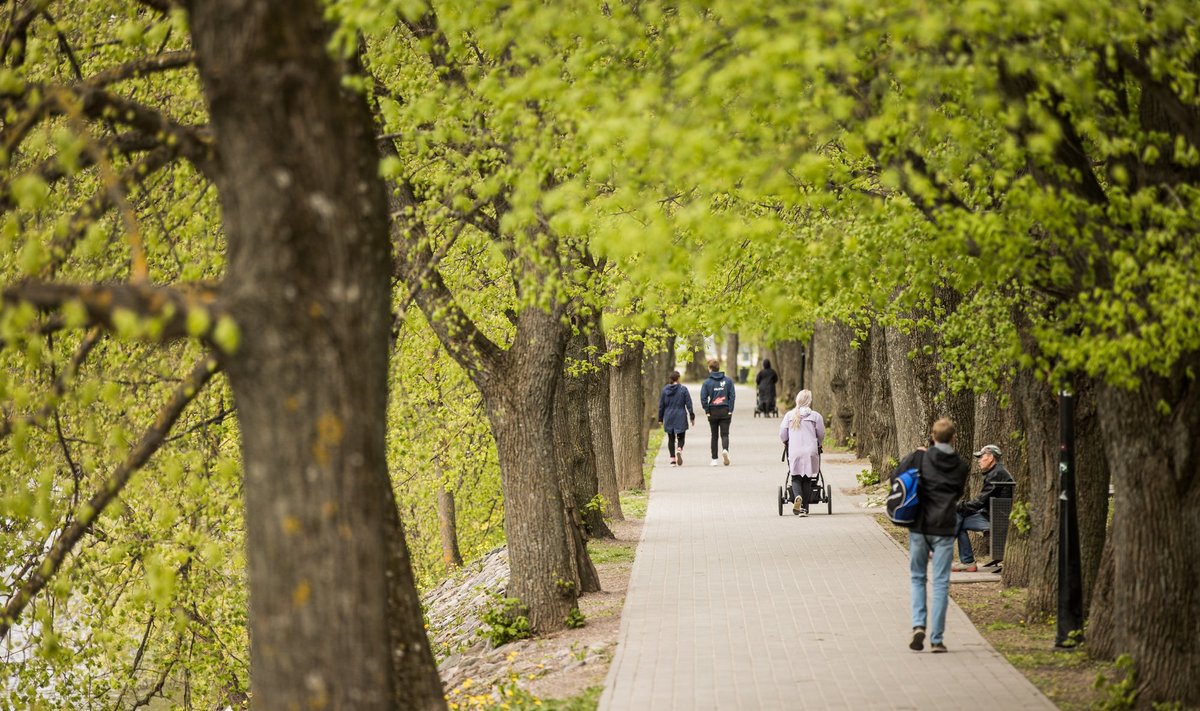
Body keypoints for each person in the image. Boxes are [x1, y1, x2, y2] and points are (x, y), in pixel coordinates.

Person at [902, 417, 968, 654]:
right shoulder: (961, 466)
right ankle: (937, 639)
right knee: (941, 582)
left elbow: (896, 478)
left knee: (918, 577)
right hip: (945, 528)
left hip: (920, 526)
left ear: (932, 436)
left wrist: (914, 456)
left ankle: (918, 625)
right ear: (953, 438)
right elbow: (958, 492)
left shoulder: (921, 458)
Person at [952, 444, 1016, 572]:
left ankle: (965, 560)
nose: (979, 460)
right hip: (993, 515)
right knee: (958, 519)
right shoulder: (996, 472)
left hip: (996, 520)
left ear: (991, 457)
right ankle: (964, 559)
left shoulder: (996, 474)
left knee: (957, 518)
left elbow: (979, 502)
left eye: (981, 457)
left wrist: (957, 505)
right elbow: (981, 501)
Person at [780, 389, 824, 516]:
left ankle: (797, 496)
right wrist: (819, 443)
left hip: (795, 450)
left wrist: (786, 441)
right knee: (807, 478)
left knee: (795, 477)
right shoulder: (816, 416)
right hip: (810, 451)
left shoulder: (789, 416)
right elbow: (820, 434)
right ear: (809, 401)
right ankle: (804, 507)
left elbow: (782, 434)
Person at [699, 358, 736, 466]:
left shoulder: (707, 383)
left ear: (710, 369)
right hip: (725, 410)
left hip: (713, 411)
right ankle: (725, 450)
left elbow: (703, 398)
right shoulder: (728, 381)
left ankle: (714, 459)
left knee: (714, 435)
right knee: (725, 434)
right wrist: (730, 409)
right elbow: (732, 396)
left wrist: (707, 410)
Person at [657, 371, 695, 466]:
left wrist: (660, 418)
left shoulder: (665, 390)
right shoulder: (683, 389)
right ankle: (679, 449)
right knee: (681, 436)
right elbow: (689, 403)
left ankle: (672, 460)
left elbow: (661, 405)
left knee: (671, 438)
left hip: (669, 416)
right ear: (678, 379)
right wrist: (691, 416)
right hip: (680, 415)